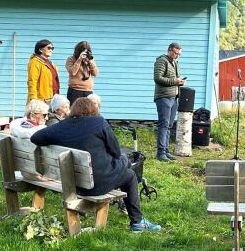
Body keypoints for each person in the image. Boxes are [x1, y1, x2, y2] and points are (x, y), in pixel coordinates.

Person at [30, 97, 161, 232]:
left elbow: (35, 138)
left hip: (74, 184)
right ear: (93, 109)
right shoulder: (98, 122)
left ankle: (130, 210)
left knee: (123, 163)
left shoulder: (62, 126)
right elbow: (115, 151)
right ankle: (137, 222)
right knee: (129, 172)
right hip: (98, 184)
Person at [153, 42, 185, 162]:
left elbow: (174, 79)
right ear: (170, 50)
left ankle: (166, 151)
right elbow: (158, 78)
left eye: (179, 54)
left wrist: (180, 82)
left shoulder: (175, 63)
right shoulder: (162, 61)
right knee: (164, 124)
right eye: (176, 53)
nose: (177, 56)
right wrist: (175, 81)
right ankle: (160, 152)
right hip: (164, 97)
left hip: (174, 97)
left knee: (169, 125)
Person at [27, 39, 60, 107]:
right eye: (48, 48)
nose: (51, 50)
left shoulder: (49, 63)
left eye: (52, 48)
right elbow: (32, 81)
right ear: (40, 49)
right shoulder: (35, 62)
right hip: (41, 100)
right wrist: (33, 98)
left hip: (52, 97)